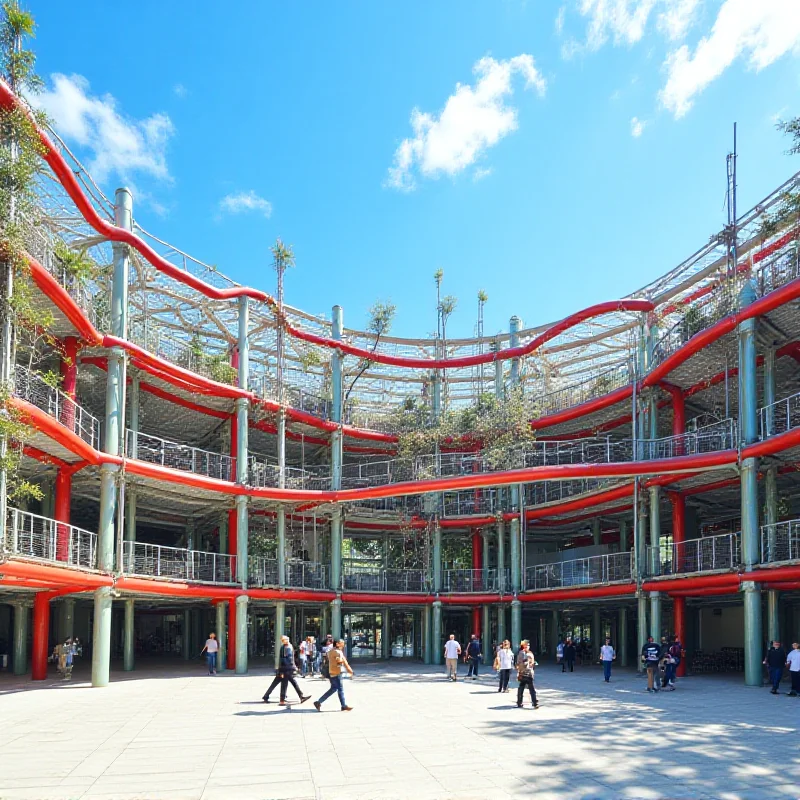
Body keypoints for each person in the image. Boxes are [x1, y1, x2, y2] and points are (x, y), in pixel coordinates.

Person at [263, 636, 311, 706]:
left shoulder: (286, 647)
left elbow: (287, 659)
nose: (288, 640)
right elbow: (287, 659)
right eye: (286, 639)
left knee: (278, 682)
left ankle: (267, 696)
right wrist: (293, 667)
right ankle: (283, 700)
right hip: (286, 669)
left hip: (284, 668)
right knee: (286, 683)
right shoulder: (286, 647)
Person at [314, 639, 354, 711]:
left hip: (331, 672)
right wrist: (350, 671)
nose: (343, 644)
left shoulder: (331, 651)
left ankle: (319, 702)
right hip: (337, 672)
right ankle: (343, 705)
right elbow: (342, 662)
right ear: (337, 644)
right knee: (340, 689)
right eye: (342, 643)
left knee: (333, 689)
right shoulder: (338, 652)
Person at [515, 640, 539, 709]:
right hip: (523, 673)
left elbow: (532, 662)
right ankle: (520, 702)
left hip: (529, 673)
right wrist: (525, 663)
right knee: (523, 688)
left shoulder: (530, 653)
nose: (528, 646)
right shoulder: (521, 653)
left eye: (528, 645)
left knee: (530, 688)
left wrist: (533, 664)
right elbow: (519, 663)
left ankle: (534, 702)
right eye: (526, 645)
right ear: (523, 646)